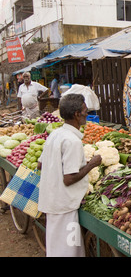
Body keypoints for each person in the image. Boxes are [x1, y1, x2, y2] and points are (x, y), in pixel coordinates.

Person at [37, 94, 102, 257]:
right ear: (76, 114)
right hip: (64, 206)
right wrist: (91, 164)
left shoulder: (56, 134)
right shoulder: (72, 141)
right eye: (85, 111)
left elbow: (40, 164)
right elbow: (69, 179)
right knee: (68, 251)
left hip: (53, 202)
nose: (87, 114)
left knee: (56, 248)